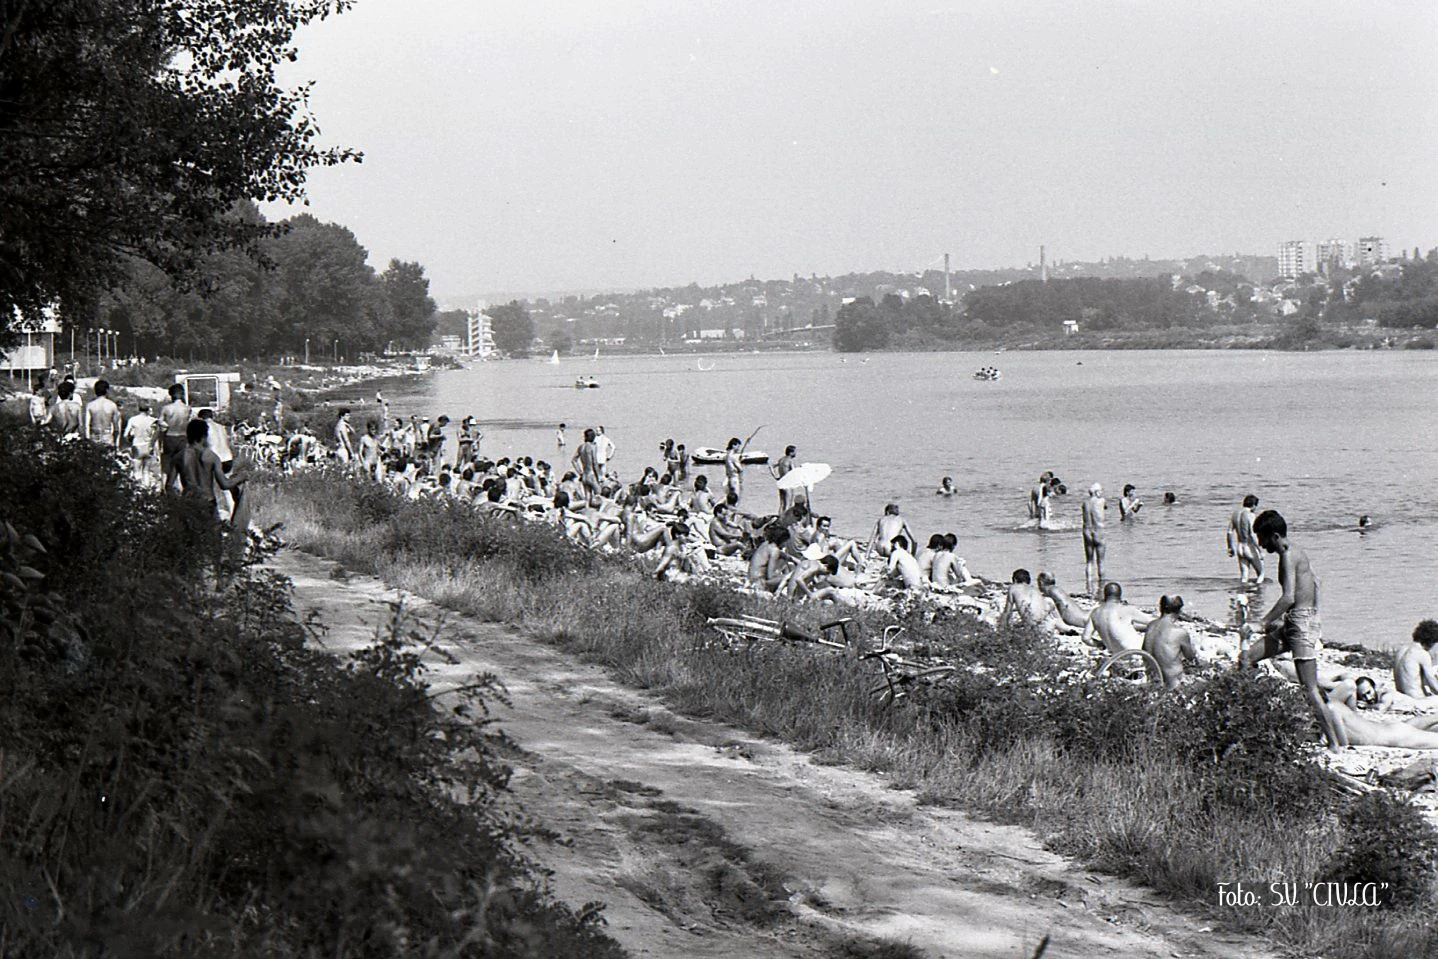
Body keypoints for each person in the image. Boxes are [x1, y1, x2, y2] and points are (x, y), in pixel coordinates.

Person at [1237, 509, 1341, 752]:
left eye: (1261, 539)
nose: (1260, 545)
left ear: (1274, 536)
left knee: (1310, 688)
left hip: (1300, 625)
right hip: (1295, 623)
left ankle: (1334, 744)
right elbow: (1316, 583)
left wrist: (1261, 622)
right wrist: (1300, 617)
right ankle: (1249, 716)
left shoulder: (1287, 556)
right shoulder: (1298, 553)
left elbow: (1288, 597)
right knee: (1246, 658)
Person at [1081, 582, 1152, 654]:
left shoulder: (1095, 613)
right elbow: (1153, 622)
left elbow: (1085, 638)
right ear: (1120, 595)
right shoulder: (1125, 609)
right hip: (1137, 653)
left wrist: (1100, 644)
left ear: (1105, 595)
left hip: (1116, 656)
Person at [1143, 595, 1197, 689]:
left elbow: (1144, 652)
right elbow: (1191, 658)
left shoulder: (1150, 627)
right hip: (1173, 687)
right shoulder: (1179, 632)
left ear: (1160, 608)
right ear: (1179, 611)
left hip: (1152, 684)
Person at [158, 383, 192, 491]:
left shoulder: (166, 408)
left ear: (171, 395)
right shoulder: (187, 409)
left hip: (170, 437)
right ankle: (186, 490)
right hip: (183, 437)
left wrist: (166, 426)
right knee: (183, 465)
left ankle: (167, 489)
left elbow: (160, 422)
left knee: (168, 465)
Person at [1393, 620, 1438, 700]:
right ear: (1430, 642)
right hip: (1415, 698)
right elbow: (1432, 682)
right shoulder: (1422, 654)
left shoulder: (1402, 650)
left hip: (1400, 697)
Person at [1226, 494, 1264, 584]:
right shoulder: (1250, 515)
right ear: (1254, 505)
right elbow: (1251, 534)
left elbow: (1229, 532)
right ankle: (1258, 594)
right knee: (1261, 574)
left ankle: (1242, 593)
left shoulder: (1235, 514)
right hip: (1249, 547)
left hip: (1240, 546)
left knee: (1244, 576)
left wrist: (1230, 547)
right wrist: (1259, 550)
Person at [123, 403, 161, 485]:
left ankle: (138, 490)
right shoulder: (152, 420)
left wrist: (129, 441)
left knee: (137, 470)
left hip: (137, 445)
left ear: (138, 409)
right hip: (148, 445)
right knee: (146, 471)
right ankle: (147, 490)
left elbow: (125, 434)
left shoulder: (133, 419)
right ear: (148, 410)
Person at [1081, 483, 1106, 596]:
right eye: (1100, 490)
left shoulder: (1085, 503)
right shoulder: (1101, 501)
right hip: (1099, 531)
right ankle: (1101, 586)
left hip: (1087, 532)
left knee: (1089, 561)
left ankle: (1089, 586)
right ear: (1096, 492)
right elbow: (1104, 508)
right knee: (1100, 561)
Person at [83, 378, 122, 447]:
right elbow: (116, 427)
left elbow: (86, 426)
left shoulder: (90, 405)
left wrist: (87, 440)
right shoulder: (112, 405)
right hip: (107, 436)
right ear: (107, 390)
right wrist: (116, 443)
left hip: (94, 436)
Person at [572, 428, 601, 495]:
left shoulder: (581, 447)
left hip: (585, 475)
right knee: (598, 494)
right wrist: (599, 476)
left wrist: (580, 472)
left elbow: (574, 460)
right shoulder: (592, 447)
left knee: (587, 498)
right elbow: (594, 462)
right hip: (592, 475)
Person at [770, 445, 798, 510]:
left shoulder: (781, 460)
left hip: (781, 482)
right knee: (788, 503)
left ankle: (780, 517)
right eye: (794, 452)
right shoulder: (790, 460)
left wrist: (776, 476)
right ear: (791, 453)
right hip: (787, 483)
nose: (795, 453)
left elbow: (771, 467)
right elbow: (793, 471)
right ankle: (785, 518)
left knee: (782, 503)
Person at [723, 436, 745, 503]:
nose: (738, 448)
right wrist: (741, 480)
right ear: (733, 445)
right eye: (738, 446)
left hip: (729, 478)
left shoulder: (726, 456)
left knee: (730, 498)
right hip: (735, 479)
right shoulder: (733, 457)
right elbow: (740, 469)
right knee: (736, 498)